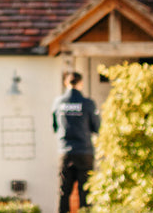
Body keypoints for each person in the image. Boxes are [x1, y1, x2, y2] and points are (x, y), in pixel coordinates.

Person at [51, 71, 99, 213]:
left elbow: (54, 127)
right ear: (81, 83)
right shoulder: (88, 103)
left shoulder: (58, 103)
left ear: (66, 83)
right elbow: (97, 127)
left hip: (65, 152)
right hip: (84, 152)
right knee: (85, 192)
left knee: (64, 192)